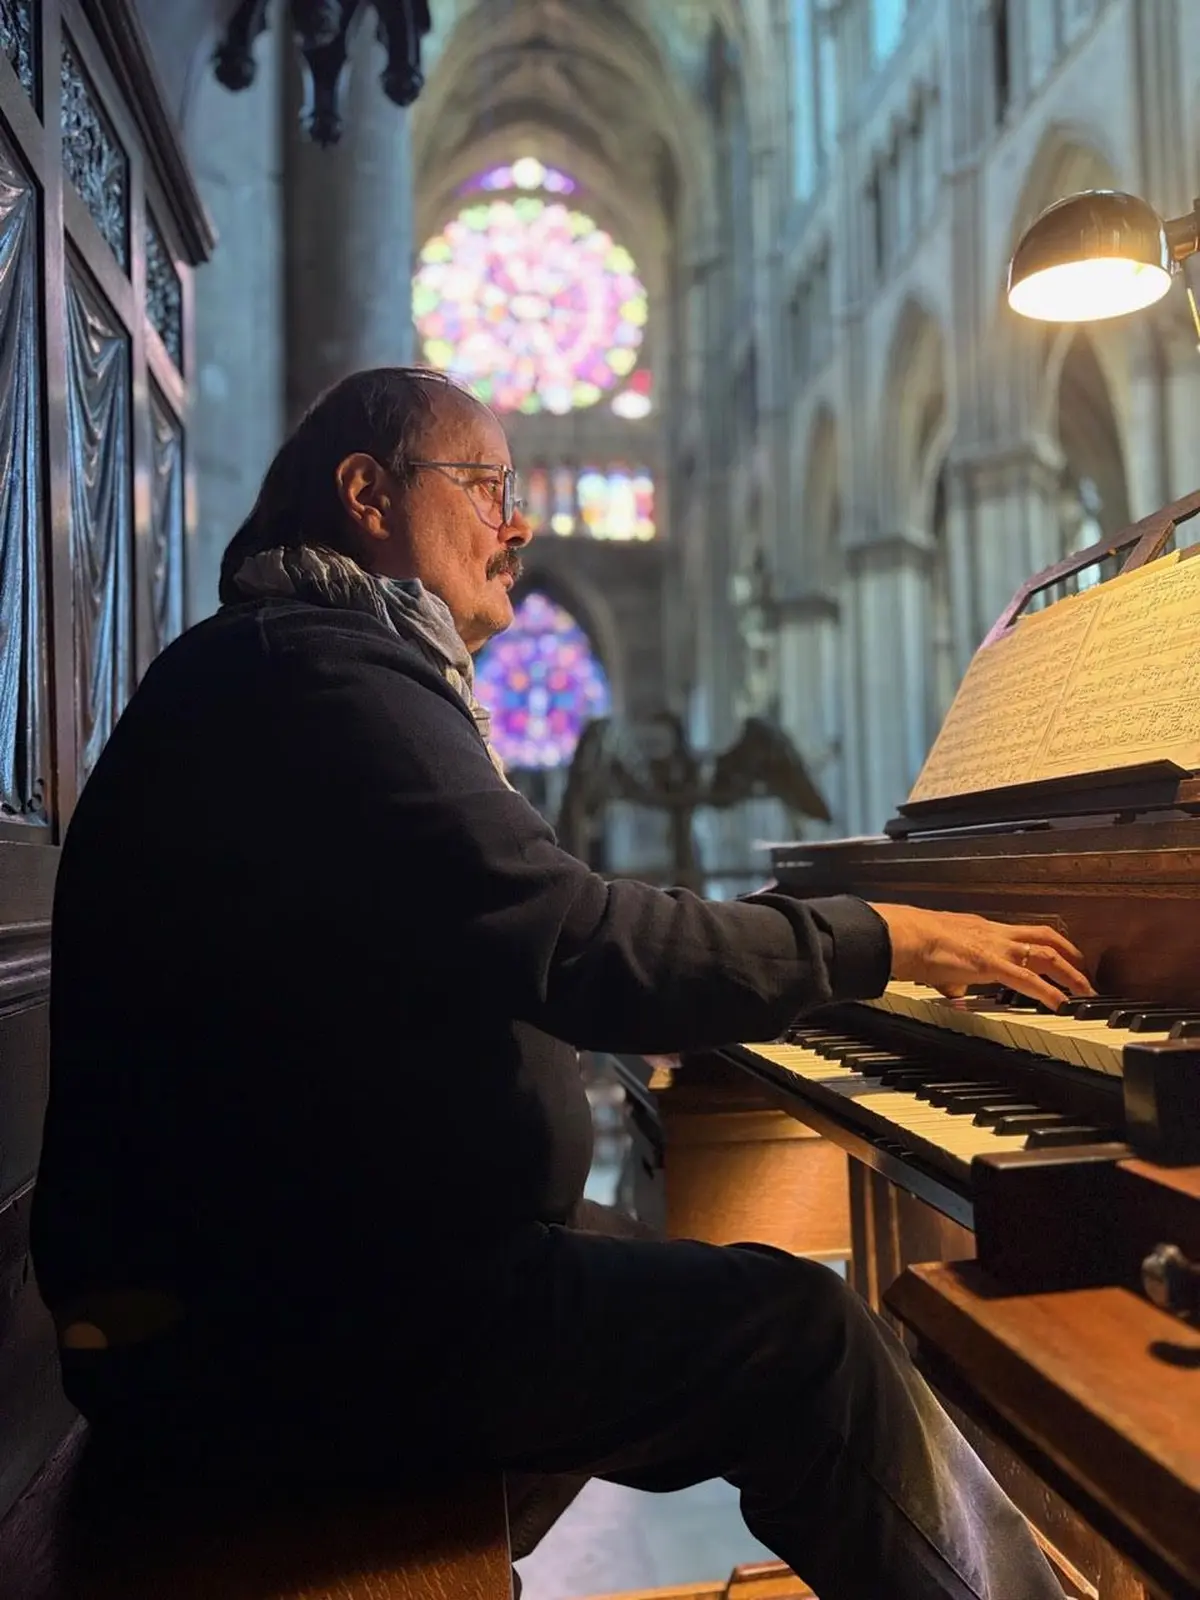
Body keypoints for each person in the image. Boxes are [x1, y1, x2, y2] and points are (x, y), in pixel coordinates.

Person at [32, 366, 1089, 1600]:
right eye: (485, 485)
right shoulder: (319, 682)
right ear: (370, 494)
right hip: (265, 1326)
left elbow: (470, 947)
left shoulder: (298, 664)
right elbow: (579, 943)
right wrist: (884, 939)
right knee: (803, 1336)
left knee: (654, 1260)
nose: (517, 522)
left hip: (280, 1273)